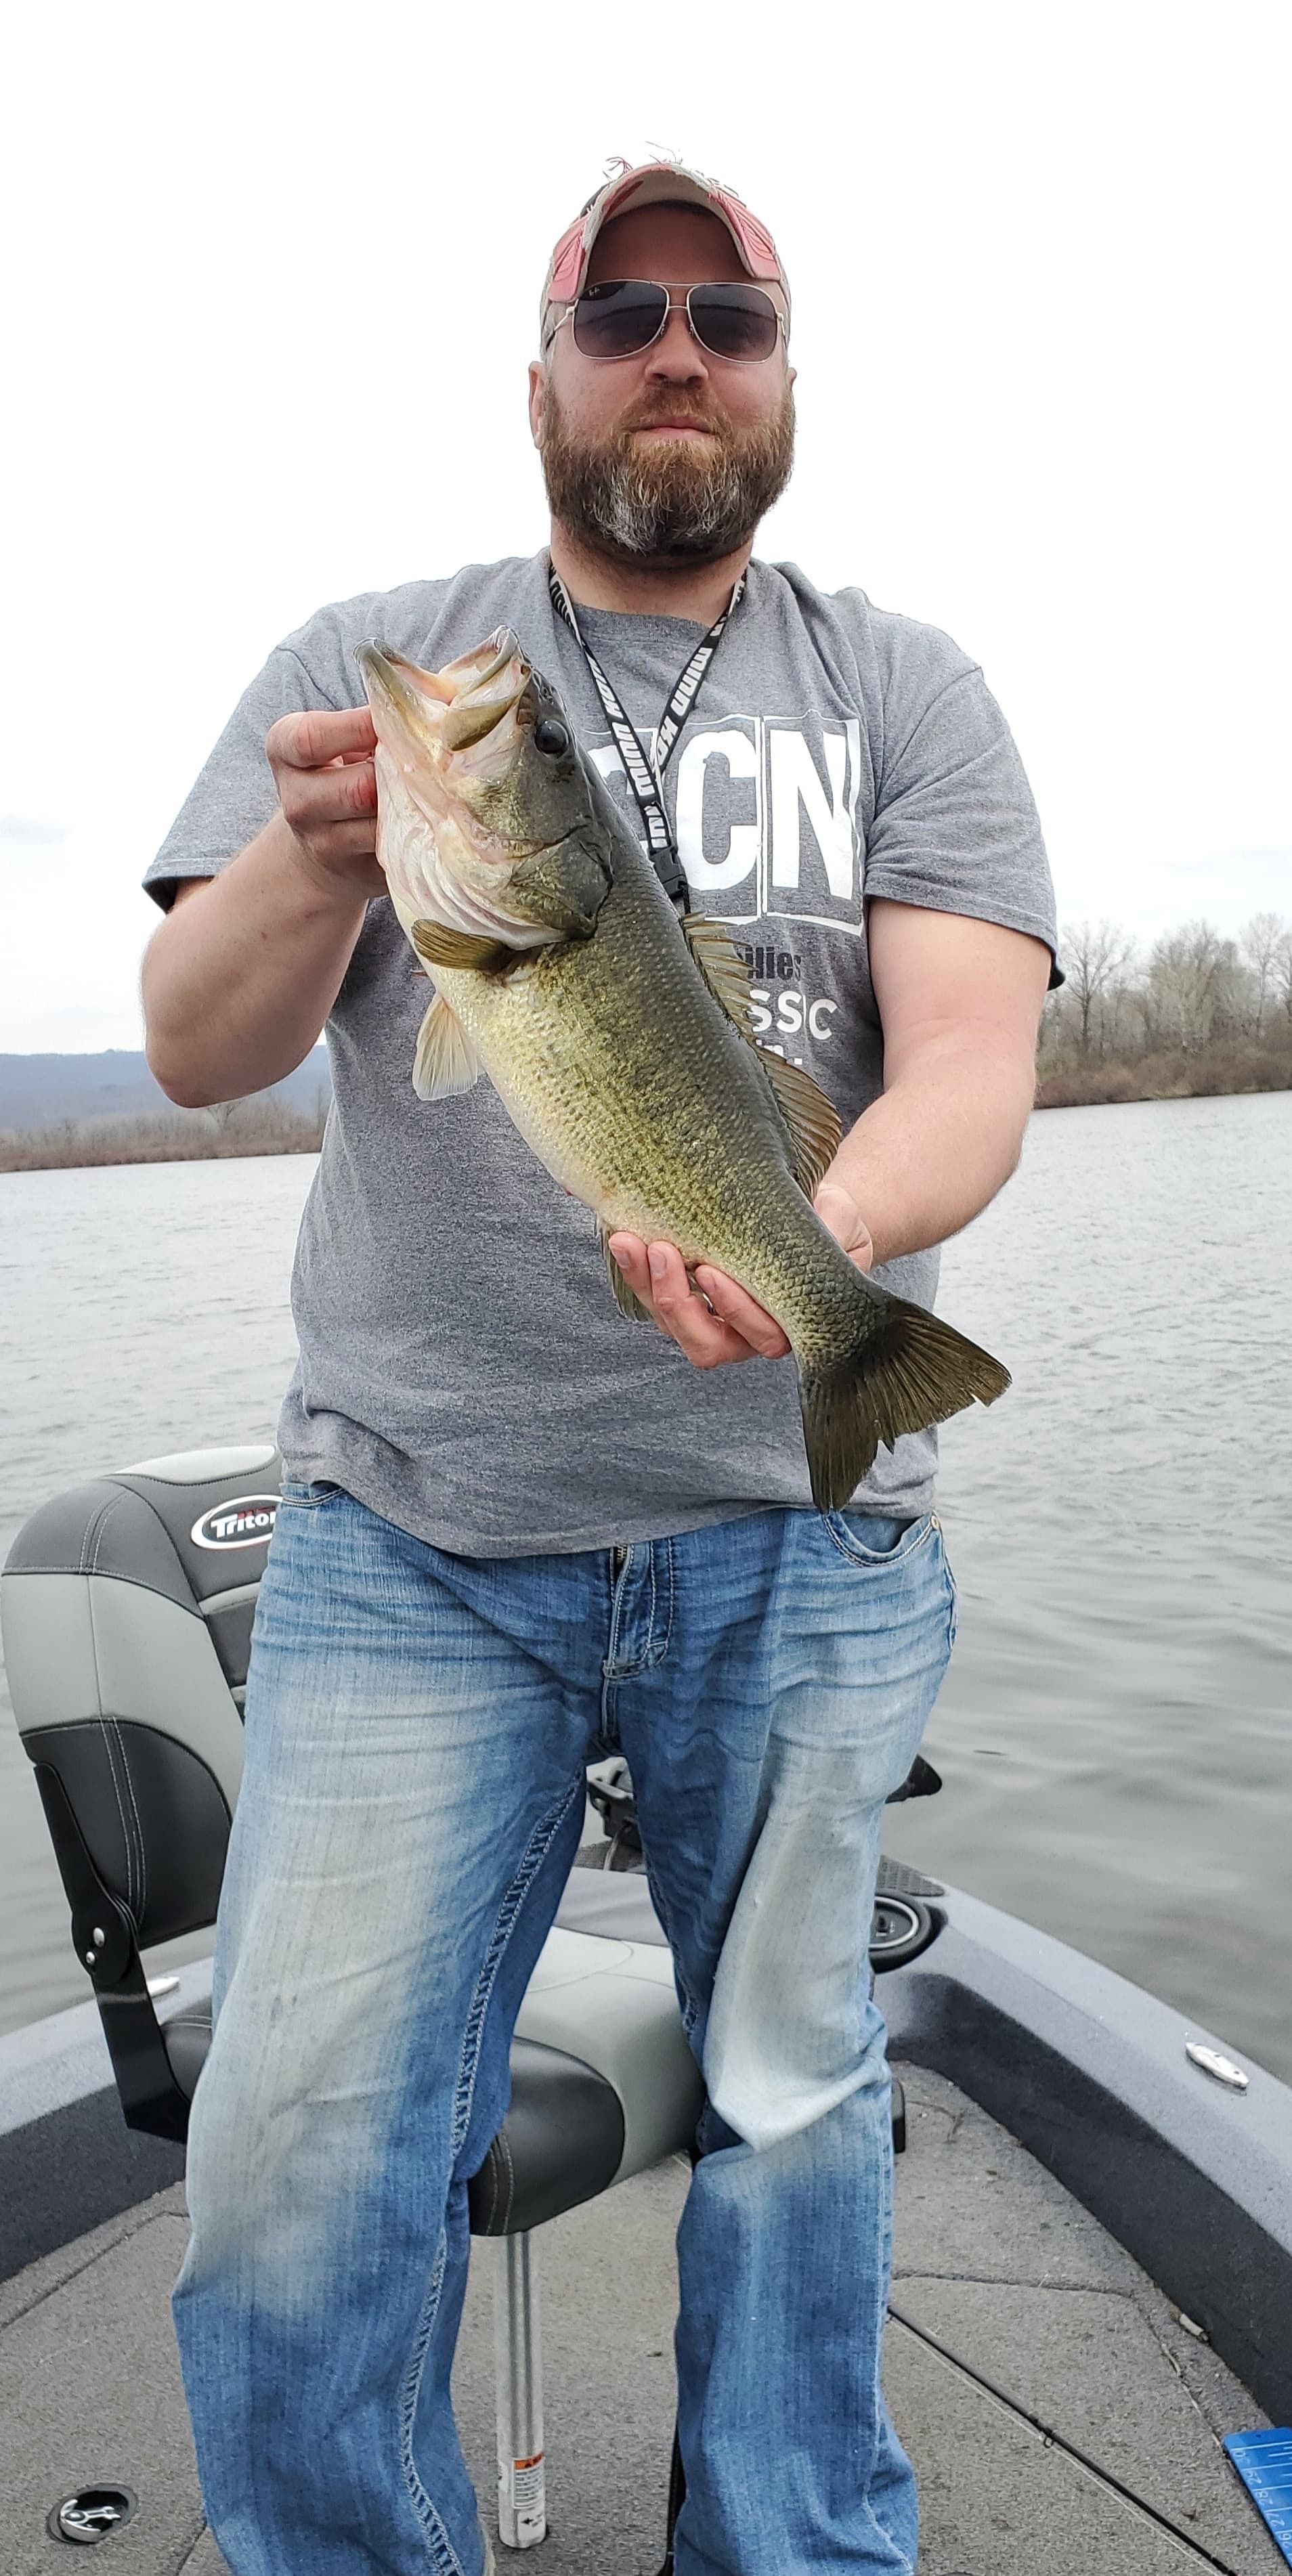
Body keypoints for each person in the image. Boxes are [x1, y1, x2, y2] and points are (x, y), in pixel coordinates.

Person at [142, 157, 1057, 2576]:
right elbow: (192, 1046)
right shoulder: (381, 651)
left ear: (779, 380)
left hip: (804, 1535)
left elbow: (964, 1057)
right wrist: (319, 866)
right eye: (623, 310)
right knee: (302, 2133)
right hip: (413, 1534)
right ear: (542, 369)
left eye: (726, 317)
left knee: (790, 2102)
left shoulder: (902, 685)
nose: (677, 351)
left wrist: (823, 1244)